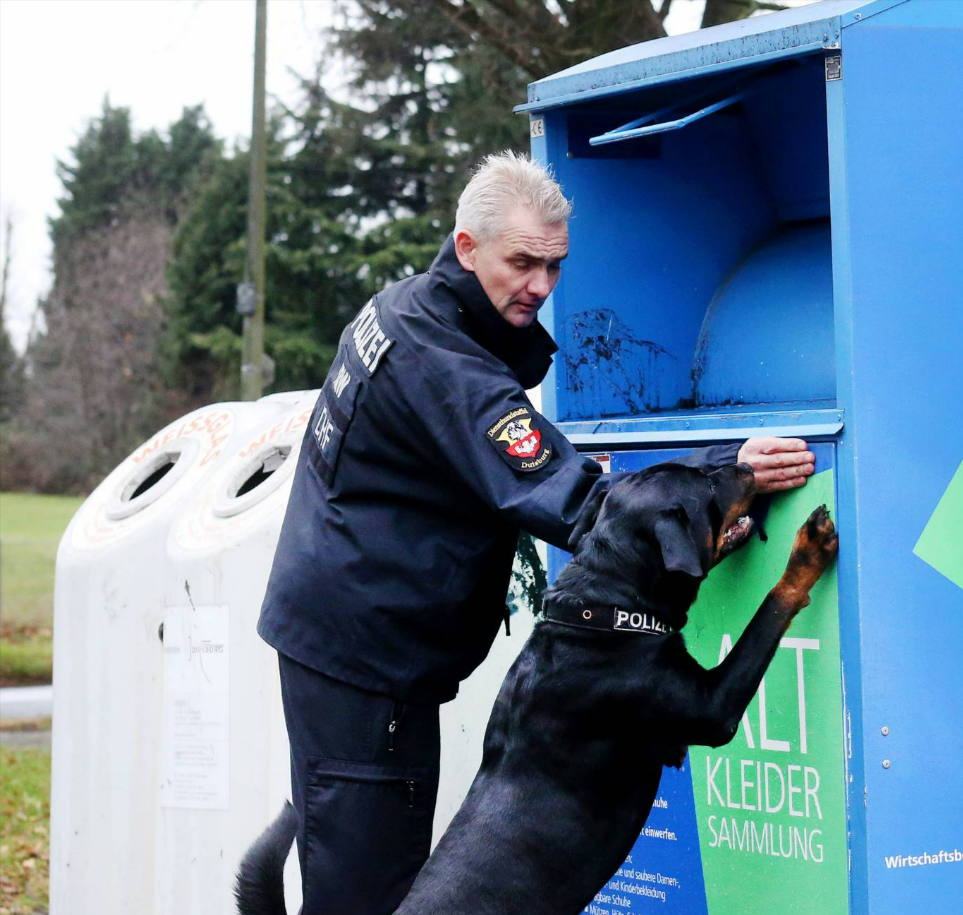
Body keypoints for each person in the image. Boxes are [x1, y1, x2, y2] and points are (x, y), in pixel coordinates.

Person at [256, 151, 814, 915]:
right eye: (522, 263)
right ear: (466, 247)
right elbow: (580, 499)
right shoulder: (445, 363)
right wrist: (726, 473)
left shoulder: (407, 308)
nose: (541, 287)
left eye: (554, 266)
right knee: (369, 896)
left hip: (344, 645)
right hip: (366, 668)